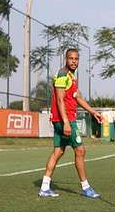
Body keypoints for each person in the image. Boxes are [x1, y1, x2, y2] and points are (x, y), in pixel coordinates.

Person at [38, 48, 103, 198]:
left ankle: (44, 187)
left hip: (63, 119)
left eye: (76, 59)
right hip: (65, 119)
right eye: (71, 58)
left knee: (58, 151)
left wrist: (93, 112)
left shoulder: (72, 76)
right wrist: (66, 123)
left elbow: (78, 97)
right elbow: (60, 100)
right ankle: (86, 188)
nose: (74, 61)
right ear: (65, 59)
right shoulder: (62, 75)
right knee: (80, 150)